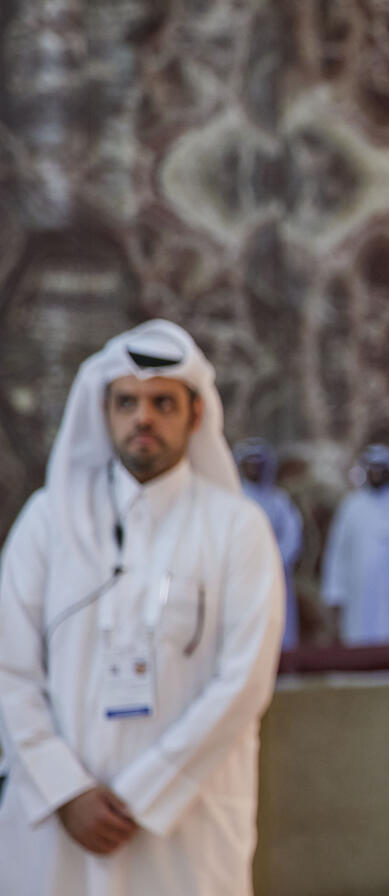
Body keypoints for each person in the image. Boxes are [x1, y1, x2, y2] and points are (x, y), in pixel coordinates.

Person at [0, 320, 285, 896]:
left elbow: (245, 682)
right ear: (103, 411)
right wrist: (66, 790)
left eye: (163, 402)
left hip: (184, 822)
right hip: (59, 824)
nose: (143, 418)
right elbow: (8, 666)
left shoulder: (237, 528)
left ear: (196, 415)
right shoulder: (47, 521)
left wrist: (144, 793)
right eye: (126, 402)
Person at [321, 444, 389, 646]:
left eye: (381, 468)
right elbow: (339, 553)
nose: (376, 474)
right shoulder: (352, 505)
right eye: (371, 469)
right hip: (361, 596)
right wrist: (335, 593)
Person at [234, 438, 304, 649]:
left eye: (258, 464)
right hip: (241, 576)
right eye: (249, 464)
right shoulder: (234, 499)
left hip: (275, 575)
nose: (254, 468)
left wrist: (273, 561)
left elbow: (292, 536)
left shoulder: (278, 500)